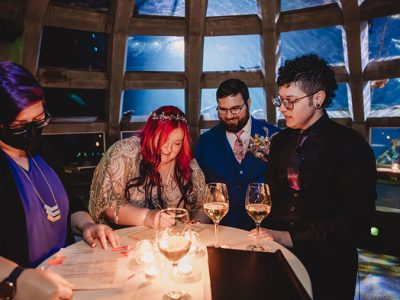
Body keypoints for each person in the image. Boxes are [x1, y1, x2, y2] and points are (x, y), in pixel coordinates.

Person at [255, 54, 377, 299]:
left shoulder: (351, 146)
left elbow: (358, 221)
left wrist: (292, 237)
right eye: (280, 100)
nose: (281, 109)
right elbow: (274, 199)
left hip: (328, 266)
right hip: (280, 260)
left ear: (318, 99)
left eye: (290, 101)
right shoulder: (280, 142)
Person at [0, 61, 119, 299]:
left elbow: (69, 203)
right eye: (21, 126)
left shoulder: (44, 150)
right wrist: (16, 278)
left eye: (40, 120)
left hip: (65, 281)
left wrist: (87, 225)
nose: (34, 132)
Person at [89, 105, 207, 229]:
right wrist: (147, 217)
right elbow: (108, 205)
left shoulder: (190, 166)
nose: (168, 149)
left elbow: (203, 207)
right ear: (151, 133)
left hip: (172, 243)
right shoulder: (125, 153)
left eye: (177, 143)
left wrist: (194, 226)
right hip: (122, 241)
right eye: (163, 139)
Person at [195, 79, 280, 230]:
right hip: (221, 233)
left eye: (235, 109)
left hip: (266, 233)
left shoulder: (275, 137)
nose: (229, 116)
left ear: (248, 103)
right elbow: (199, 189)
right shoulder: (205, 142)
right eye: (222, 109)